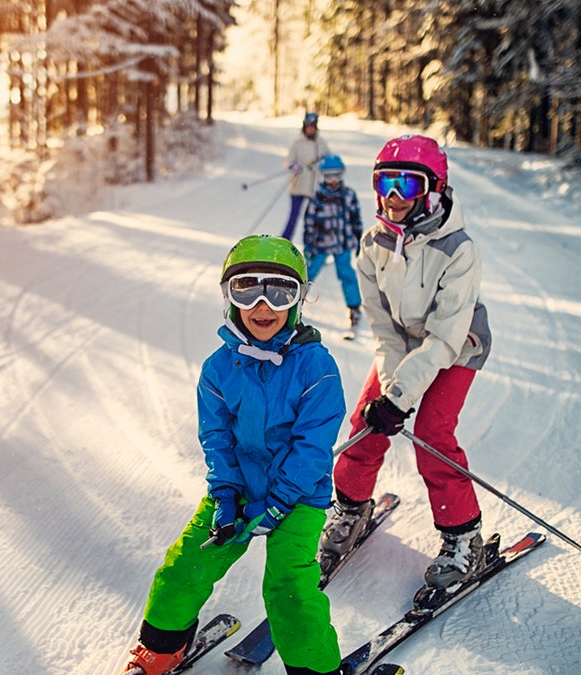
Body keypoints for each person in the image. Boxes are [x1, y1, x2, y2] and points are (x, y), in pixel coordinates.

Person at [122, 234, 346, 675]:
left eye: (279, 292)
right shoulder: (218, 368)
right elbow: (217, 439)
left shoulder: (316, 367)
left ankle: (317, 669)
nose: (264, 306)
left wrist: (281, 502)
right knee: (185, 565)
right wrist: (225, 495)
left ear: (298, 300)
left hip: (298, 498)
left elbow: (314, 446)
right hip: (239, 488)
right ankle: (161, 649)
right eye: (248, 289)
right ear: (229, 297)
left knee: (288, 589)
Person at [319, 135, 493, 593]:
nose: (393, 197)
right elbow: (382, 328)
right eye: (385, 183)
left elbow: (442, 339)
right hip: (401, 342)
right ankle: (351, 511)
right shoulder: (372, 244)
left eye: (406, 185)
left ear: (434, 189)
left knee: (433, 434)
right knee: (365, 423)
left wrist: (401, 398)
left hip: (454, 346)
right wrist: (392, 395)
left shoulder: (458, 249)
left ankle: (463, 537)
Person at [302, 154, 364, 334]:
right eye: (328, 176)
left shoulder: (349, 195)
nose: (333, 180)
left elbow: (355, 219)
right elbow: (310, 222)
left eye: (337, 175)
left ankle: (354, 307)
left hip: (342, 244)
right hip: (321, 244)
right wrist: (308, 245)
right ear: (322, 176)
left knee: (346, 274)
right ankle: (294, 302)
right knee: (309, 272)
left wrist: (359, 239)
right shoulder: (317, 197)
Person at [281, 112, 331, 242]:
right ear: (304, 127)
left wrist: (321, 166)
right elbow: (287, 163)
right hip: (298, 186)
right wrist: (293, 166)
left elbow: (329, 163)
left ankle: (314, 248)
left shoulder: (321, 144)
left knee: (314, 219)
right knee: (293, 217)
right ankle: (284, 242)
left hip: (314, 188)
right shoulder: (297, 143)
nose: (310, 129)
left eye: (312, 127)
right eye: (308, 127)